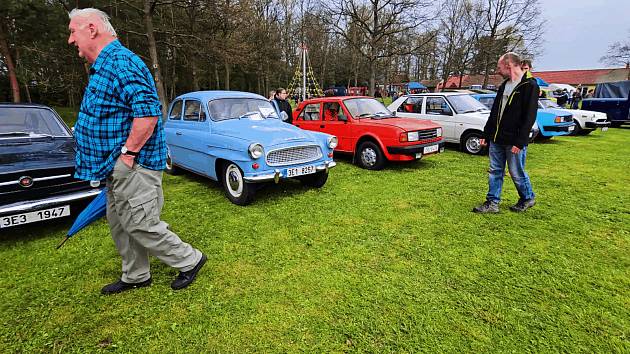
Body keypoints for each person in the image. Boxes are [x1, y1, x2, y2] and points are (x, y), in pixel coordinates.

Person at [67, 8, 206, 295]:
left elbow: (148, 114)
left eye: (72, 31)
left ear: (91, 29)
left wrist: (128, 155)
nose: (70, 40)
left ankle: (190, 259)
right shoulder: (105, 65)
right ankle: (136, 275)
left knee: (141, 223)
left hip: (134, 164)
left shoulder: (121, 62)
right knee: (120, 225)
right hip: (114, 165)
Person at [473, 52, 539, 213]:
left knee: (516, 172)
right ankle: (492, 203)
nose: (497, 70)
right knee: (495, 171)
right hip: (497, 138)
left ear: (508, 65)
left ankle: (527, 198)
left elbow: (529, 116)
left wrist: (520, 141)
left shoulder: (529, 86)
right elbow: (495, 112)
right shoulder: (504, 85)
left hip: (514, 140)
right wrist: (486, 134)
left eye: (499, 66)